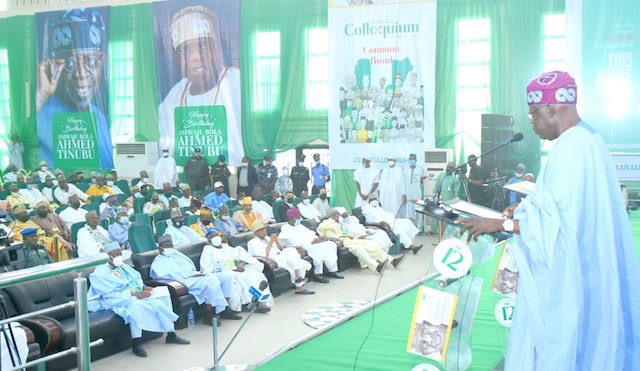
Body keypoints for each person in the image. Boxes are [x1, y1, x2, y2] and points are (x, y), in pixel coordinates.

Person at [455, 71, 640, 370]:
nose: (532, 123)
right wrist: (525, 211)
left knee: (562, 345)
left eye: (533, 115)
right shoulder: (589, 138)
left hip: (571, 274)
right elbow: (564, 206)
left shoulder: (570, 148)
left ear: (551, 109)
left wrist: (498, 224)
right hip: (588, 264)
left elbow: (558, 224)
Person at [157, 5, 242, 165]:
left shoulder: (237, 82)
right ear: (176, 58)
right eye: (186, 51)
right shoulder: (173, 97)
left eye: (204, 46)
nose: (196, 57)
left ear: (217, 49)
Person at [36, 9, 114, 168]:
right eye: (70, 63)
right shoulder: (43, 114)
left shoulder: (99, 117)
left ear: (101, 62)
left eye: (90, 61)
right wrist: (41, 96)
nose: (81, 74)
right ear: (57, 66)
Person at [88, 242, 189, 358]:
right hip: (116, 299)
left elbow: (136, 279)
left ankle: (171, 334)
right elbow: (107, 293)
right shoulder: (100, 272)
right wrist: (135, 294)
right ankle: (136, 343)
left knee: (163, 292)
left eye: (120, 254)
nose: (118, 257)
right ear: (108, 256)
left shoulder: (123, 267)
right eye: (115, 255)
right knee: (134, 305)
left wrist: (144, 288)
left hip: (135, 294)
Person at [150, 235, 241, 326]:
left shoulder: (177, 254)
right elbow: (164, 279)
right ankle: (209, 315)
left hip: (194, 277)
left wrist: (196, 273)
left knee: (226, 276)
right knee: (210, 281)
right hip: (182, 283)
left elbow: (189, 268)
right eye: (166, 245)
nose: (169, 247)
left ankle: (225, 309)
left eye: (170, 245)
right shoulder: (158, 262)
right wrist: (192, 276)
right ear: (160, 248)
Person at [200, 233, 273, 313]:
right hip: (223, 272)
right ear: (209, 240)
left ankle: (259, 300)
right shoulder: (208, 249)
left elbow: (245, 257)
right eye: (212, 237)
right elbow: (206, 267)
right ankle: (254, 303)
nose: (215, 238)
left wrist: (241, 264)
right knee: (241, 279)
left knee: (254, 275)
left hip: (238, 269)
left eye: (216, 235)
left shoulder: (228, 248)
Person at [317, 209, 404, 274]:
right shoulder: (327, 223)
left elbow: (344, 231)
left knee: (371, 245)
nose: (338, 216)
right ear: (332, 215)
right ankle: (376, 267)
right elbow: (331, 237)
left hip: (350, 238)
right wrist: (346, 236)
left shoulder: (338, 223)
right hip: (342, 241)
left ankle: (392, 261)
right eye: (336, 214)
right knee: (359, 249)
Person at [247, 221, 314, 295]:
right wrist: (271, 243)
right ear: (256, 232)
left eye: (264, 229)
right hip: (272, 258)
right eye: (261, 230)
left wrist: (277, 242)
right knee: (295, 259)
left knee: (291, 251)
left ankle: (299, 282)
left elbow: (281, 249)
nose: (264, 231)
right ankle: (299, 284)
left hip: (281, 254)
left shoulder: (267, 238)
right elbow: (264, 255)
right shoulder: (252, 242)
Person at [279, 208, 342, 283]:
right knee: (318, 248)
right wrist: (312, 242)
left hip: (312, 243)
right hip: (303, 246)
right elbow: (291, 242)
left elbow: (310, 234)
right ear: (292, 218)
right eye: (298, 217)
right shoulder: (286, 229)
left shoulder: (299, 226)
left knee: (331, 245)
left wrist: (318, 238)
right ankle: (317, 274)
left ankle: (332, 271)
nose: (300, 219)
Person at [431, 162, 461, 235]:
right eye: (448, 167)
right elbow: (436, 187)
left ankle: (446, 233)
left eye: (451, 167)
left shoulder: (454, 179)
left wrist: (454, 202)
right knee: (435, 215)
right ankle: (433, 231)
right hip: (439, 199)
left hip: (448, 201)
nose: (448, 168)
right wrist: (434, 196)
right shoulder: (441, 176)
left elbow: (456, 192)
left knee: (446, 217)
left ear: (453, 169)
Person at [403, 153, 425, 226]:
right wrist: (403, 194)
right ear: (409, 160)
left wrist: (422, 180)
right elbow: (402, 183)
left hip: (417, 193)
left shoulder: (420, 170)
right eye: (410, 159)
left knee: (418, 209)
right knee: (407, 211)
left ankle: (419, 228)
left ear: (416, 160)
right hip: (408, 194)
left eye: (413, 159)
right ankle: (407, 227)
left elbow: (423, 183)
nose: (412, 160)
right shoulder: (405, 170)